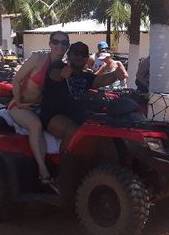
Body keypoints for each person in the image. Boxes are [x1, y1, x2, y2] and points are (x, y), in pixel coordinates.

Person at [8, 30, 71, 188]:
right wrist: (19, 102)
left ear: (67, 46)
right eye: (56, 42)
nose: (59, 46)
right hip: (21, 106)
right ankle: (43, 171)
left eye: (64, 43)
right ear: (50, 44)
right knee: (36, 125)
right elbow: (16, 80)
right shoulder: (38, 58)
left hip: (42, 108)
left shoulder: (64, 68)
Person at [41, 41, 128, 150]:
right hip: (53, 114)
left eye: (83, 54)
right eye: (76, 53)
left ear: (87, 57)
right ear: (69, 55)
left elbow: (99, 80)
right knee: (74, 132)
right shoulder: (58, 66)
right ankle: (66, 166)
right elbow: (54, 74)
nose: (80, 57)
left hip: (77, 115)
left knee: (105, 134)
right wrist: (62, 74)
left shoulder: (86, 76)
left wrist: (115, 74)